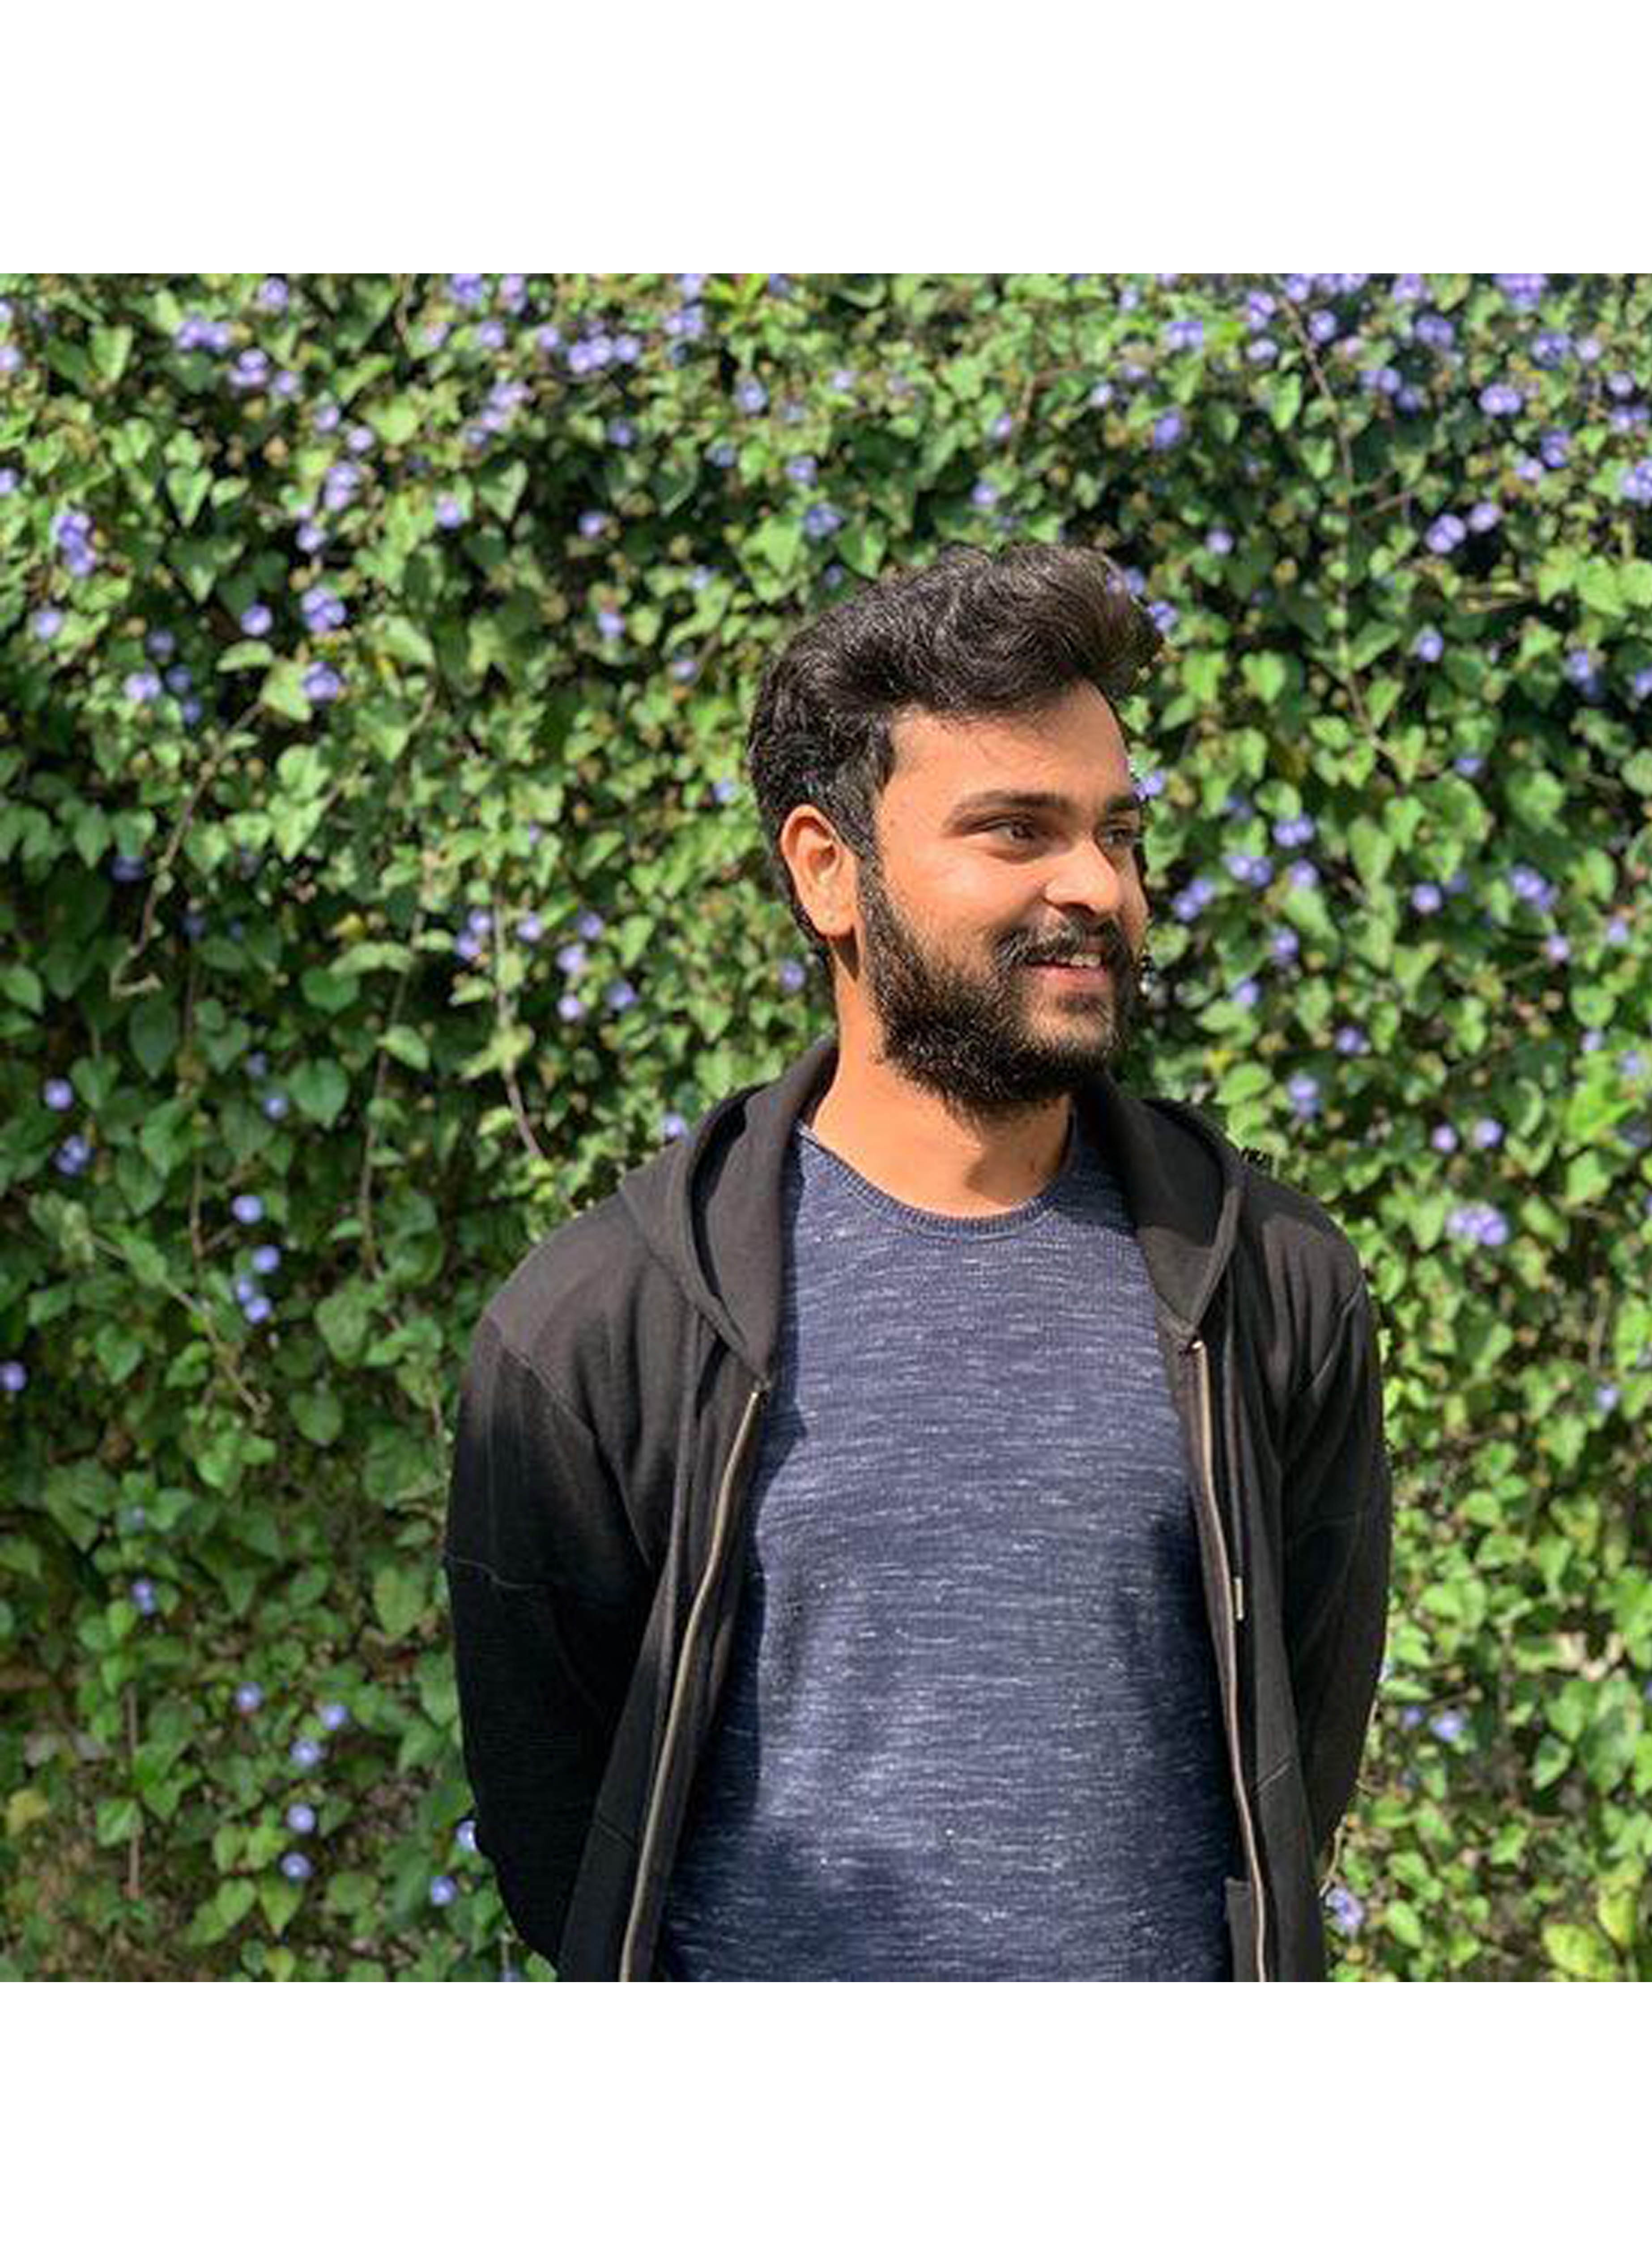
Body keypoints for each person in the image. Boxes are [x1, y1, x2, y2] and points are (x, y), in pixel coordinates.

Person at [444, 540, 1393, 1980]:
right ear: (830, 870)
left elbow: (1295, 1753)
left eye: (1118, 833)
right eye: (1017, 831)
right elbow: (564, 1825)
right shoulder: (604, 1327)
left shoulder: (1268, 1284)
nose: (1098, 885)